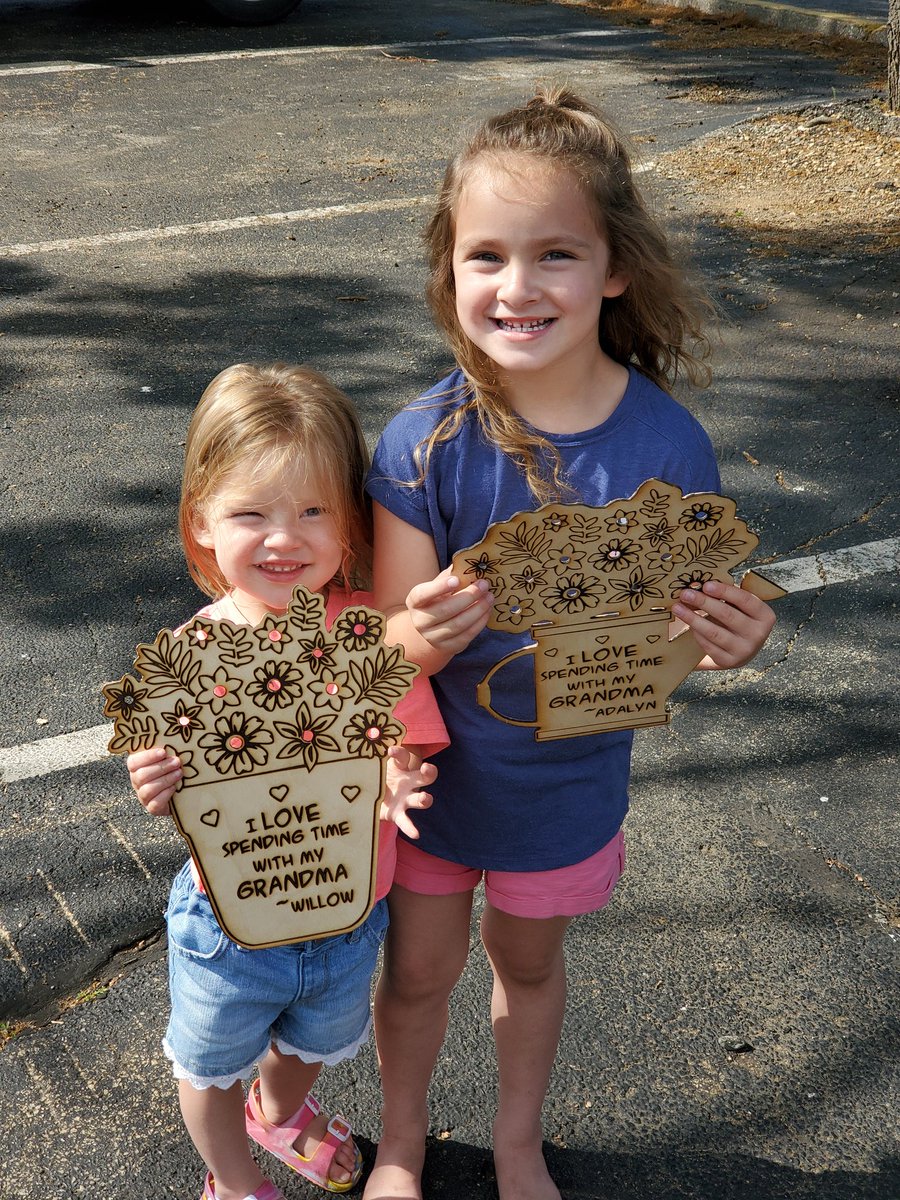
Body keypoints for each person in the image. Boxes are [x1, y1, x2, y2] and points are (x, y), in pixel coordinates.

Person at [363, 88, 777, 1200]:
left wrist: (729, 633)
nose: (516, 285)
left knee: (529, 967)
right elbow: (377, 649)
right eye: (485, 254)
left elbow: (685, 618)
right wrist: (417, 633)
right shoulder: (424, 442)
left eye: (555, 253)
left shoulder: (667, 445)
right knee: (417, 974)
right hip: (439, 785)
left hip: (571, 788)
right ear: (449, 269)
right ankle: (402, 1142)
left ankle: (513, 1141)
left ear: (615, 269)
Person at [125, 363, 448, 1200]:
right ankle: (232, 1179)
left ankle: (279, 1113)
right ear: (201, 521)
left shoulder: (374, 634)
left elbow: (393, 739)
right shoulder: (192, 652)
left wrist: (397, 778)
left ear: (350, 523)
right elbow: (179, 782)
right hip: (230, 921)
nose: (284, 538)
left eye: (313, 511)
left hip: (347, 914)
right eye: (251, 513)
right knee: (209, 1065)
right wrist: (158, 778)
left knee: (312, 1045)